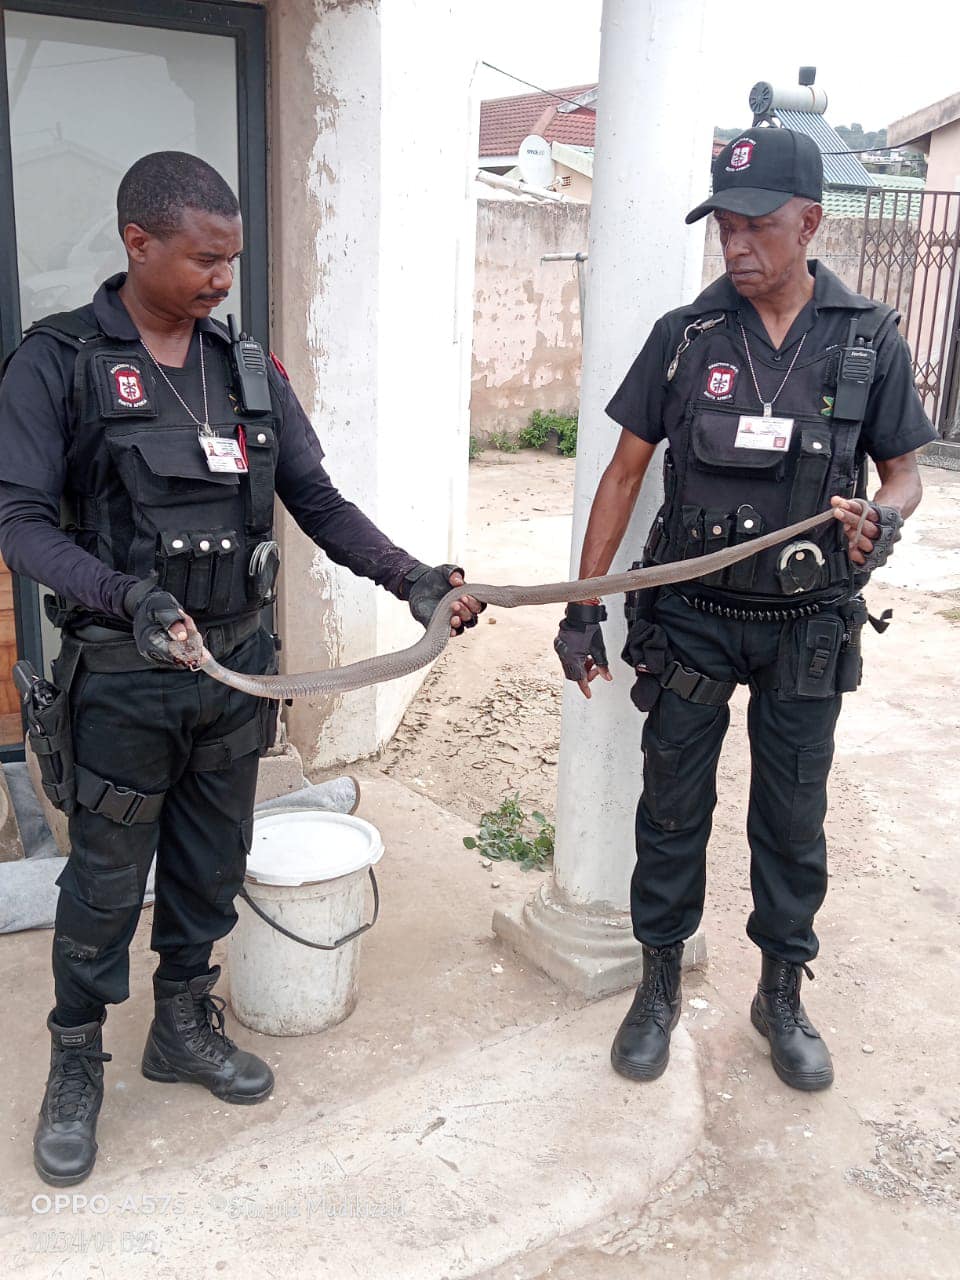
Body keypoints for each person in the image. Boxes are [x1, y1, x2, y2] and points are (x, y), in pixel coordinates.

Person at [0, 151, 483, 1187]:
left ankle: (181, 1022)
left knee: (212, 861)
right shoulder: (61, 362)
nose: (223, 278)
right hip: (124, 676)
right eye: (204, 258)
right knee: (101, 883)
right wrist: (124, 593)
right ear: (137, 243)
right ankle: (77, 1054)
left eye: (233, 259)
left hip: (234, 675)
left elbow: (317, 498)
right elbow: (22, 527)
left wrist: (412, 577)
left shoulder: (247, 370)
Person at [552, 128, 935, 1092]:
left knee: (791, 819)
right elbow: (623, 474)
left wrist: (880, 522)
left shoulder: (867, 338)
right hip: (688, 618)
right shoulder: (686, 337)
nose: (737, 244)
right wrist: (583, 610)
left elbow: (903, 475)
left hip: (806, 626)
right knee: (671, 810)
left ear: (811, 221)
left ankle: (781, 993)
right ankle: (657, 985)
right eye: (725, 224)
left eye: (758, 224)